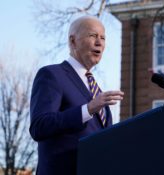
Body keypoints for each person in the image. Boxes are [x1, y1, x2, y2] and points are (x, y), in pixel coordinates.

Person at [29, 16, 124, 175]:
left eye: (103, 38)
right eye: (93, 36)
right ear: (73, 41)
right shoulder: (52, 75)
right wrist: (88, 109)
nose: (99, 43)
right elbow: (39, 126)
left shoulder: (99, 94)